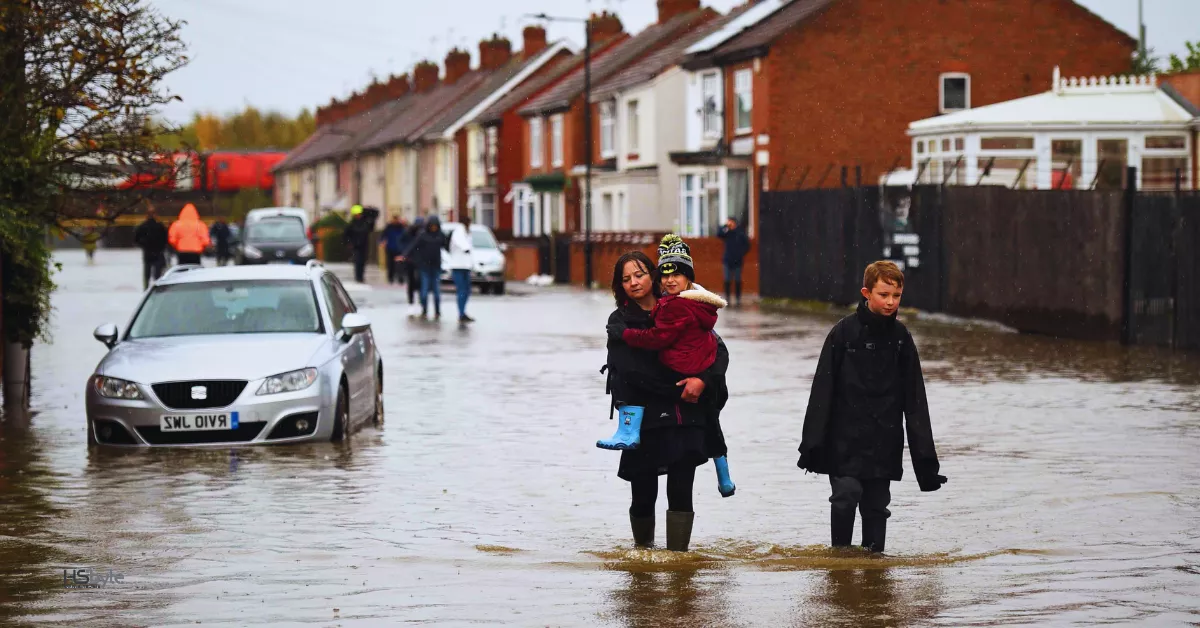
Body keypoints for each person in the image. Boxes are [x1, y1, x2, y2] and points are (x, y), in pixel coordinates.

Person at [797, 261, 947, 553]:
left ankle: (874, 571)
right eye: (883, 294)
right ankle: (839, 563)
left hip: (884, 438)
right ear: (866, 293)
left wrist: (925, 463)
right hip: (844, 439)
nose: (891, 302)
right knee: (846, 495)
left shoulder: (901, 339)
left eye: (897, 295)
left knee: (877, 507)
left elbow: (916, 403)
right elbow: (821, 392)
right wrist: (812, 446)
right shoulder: (842, 334)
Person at [603, 251, 732, 552]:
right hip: (644, 419)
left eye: (639, 274)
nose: (634, 283)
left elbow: (717, 351)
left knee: (681, 488)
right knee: (643, 493)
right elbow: (631, 372)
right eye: (625, 279)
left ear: (654, 275)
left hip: (686, 416)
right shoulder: (619, 322)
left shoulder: (683, 306)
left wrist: (702, 380)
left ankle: (678, 565)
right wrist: (678, 388)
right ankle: (642, 560)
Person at [400, 216, 447, 319]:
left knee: (436, 292)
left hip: (436, 267)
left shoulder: (440, 235)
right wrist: (404, 255)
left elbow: (446, 245)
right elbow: (413, 246)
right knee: (424, 291)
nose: (434, 228)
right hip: (425, 267)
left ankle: (437, 312)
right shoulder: (423, 235)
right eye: (432, 226)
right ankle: (424, 310)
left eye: (435, 226)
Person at [446, 214, 475, 323]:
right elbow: (460, 242)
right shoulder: (458, 230)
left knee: (467, 290)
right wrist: (466, 248)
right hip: (457, 266)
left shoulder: (468, 232)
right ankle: (461, 313)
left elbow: (471, 248)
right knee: (462, 290)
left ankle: (463, 312)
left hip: (466, 266)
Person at [717, 217, 750, 307]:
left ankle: (738, 298)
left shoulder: (740, 232)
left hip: (738, 261)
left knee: (737, 280)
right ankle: (727, 298)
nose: (729, 224)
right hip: (727, 260)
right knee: (727, 279)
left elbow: (747, 245)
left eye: (730, 222)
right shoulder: (727, 233)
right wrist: (725, 226)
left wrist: (741, 254)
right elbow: (719, 234)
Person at [134, 206, 169, 289]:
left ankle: (146, 288)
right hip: (158, 252)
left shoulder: (142, 226)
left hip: (148, 252)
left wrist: (144, 245)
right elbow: (166, 239)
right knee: (157, 274)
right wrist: (162, 247)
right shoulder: (160, 226)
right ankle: (158, 288)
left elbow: (136, 239)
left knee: (147, 273)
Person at [343, 205, 373, 283]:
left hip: (364, 245)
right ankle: (358, 276)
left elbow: (371, 227)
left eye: (359, 214)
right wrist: (349, 243)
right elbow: (346, 234)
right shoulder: (352, 224)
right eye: (357, 214)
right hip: (356, 245)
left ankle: (361, 276)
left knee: (362, 261)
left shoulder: (365, 222)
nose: (358, 216)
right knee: (357, 261)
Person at [381, 214, 410, 285]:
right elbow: (383, 236)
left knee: (400, 264)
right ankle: (391, 278)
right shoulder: (389, 227)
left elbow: (406, 236)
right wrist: (382, 242)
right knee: (391, 264)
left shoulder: (402, 227)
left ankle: (400, 278)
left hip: (399, 249)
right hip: (390, 248)